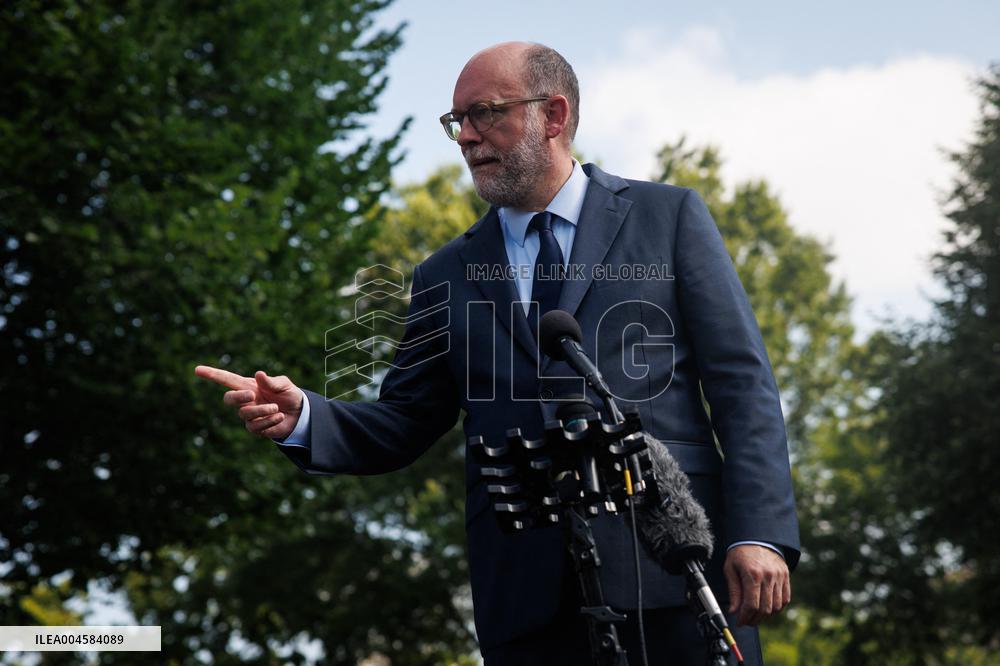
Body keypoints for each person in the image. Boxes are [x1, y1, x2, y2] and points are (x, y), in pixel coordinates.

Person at [196, 42, 799, 665]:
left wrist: (760, 534)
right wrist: (306, 417)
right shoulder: (444, 274)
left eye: (484, 113)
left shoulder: (668, 217)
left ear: (554, 115)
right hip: (525, 596)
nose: (465, 136)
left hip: (676, 574)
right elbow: (405, 418)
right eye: (457, 120)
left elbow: (742, 385)